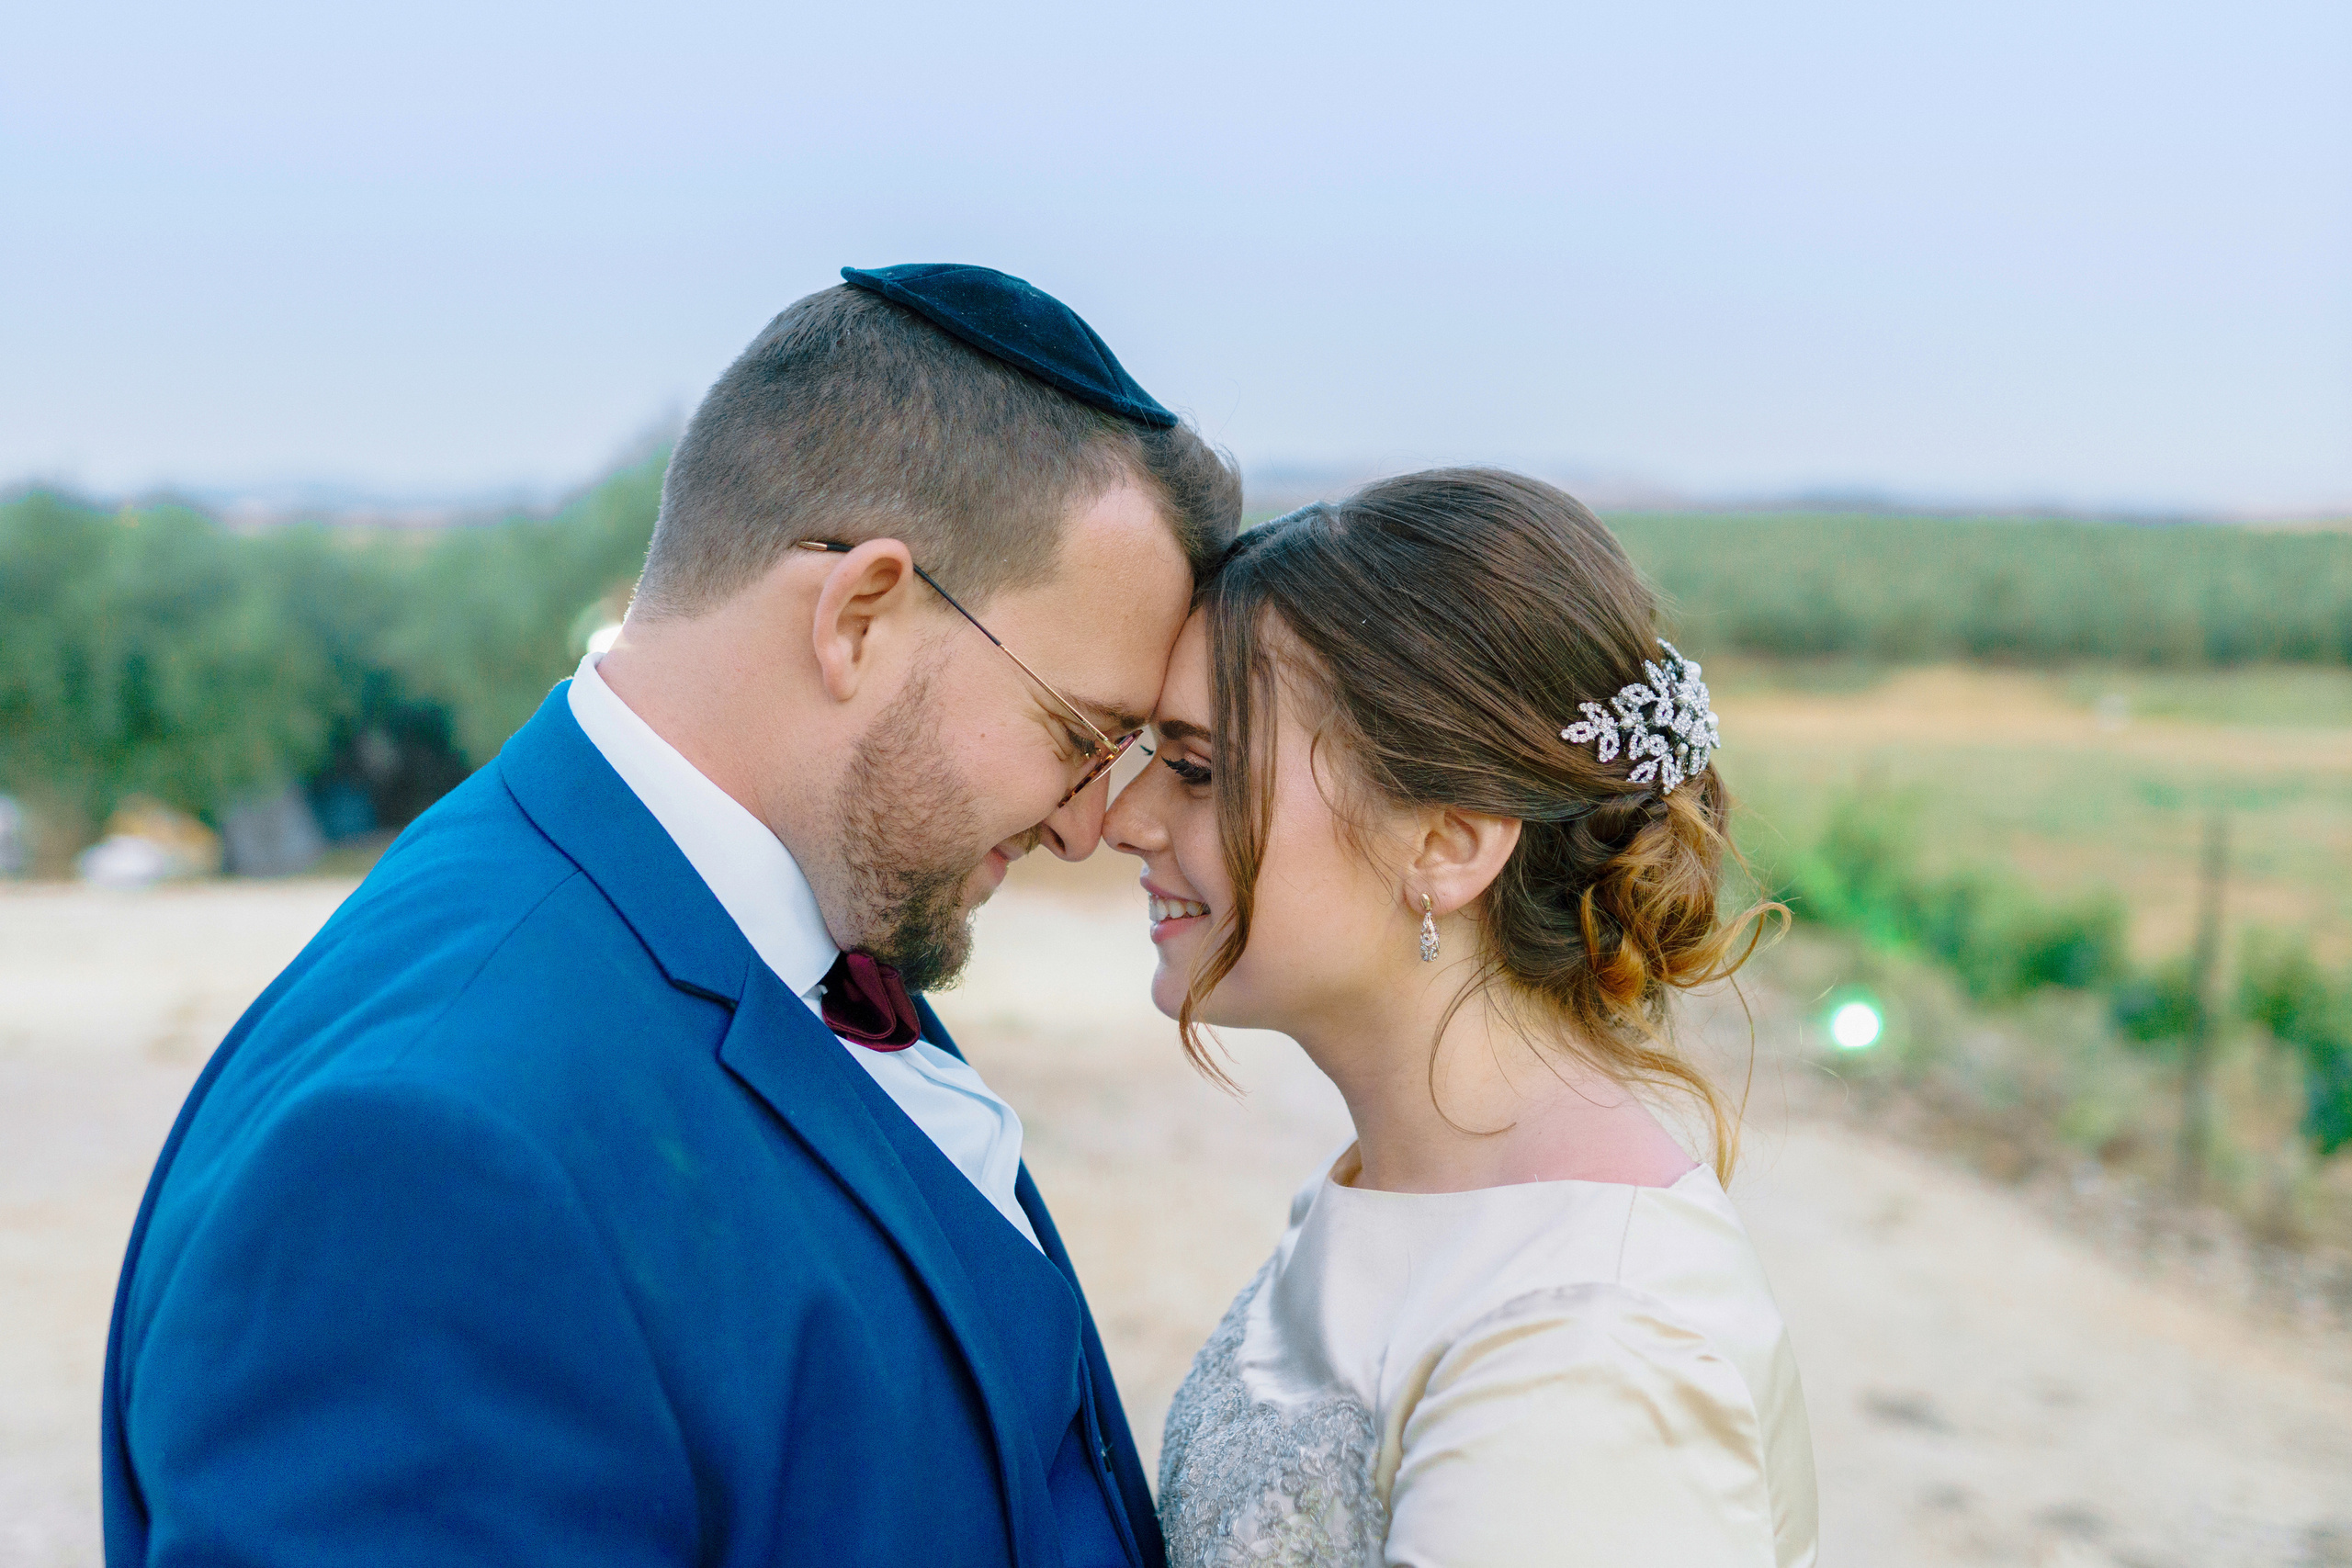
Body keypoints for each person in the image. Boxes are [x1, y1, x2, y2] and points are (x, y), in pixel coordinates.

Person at [102, 264, 1240, 1567]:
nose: (1087, 823)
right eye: (1077, 732)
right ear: (861, 616)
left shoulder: (795, 912)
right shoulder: (428, 1160)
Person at [1109, 469, 1819, 1568]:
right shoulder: (1405, 1179)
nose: (1128, 818)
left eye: (1198, 770)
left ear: (1444, 844)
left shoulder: (1590, 1342)